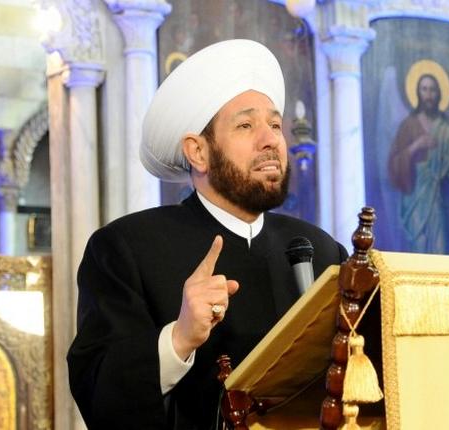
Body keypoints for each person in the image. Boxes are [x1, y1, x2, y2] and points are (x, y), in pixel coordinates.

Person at [67, 39, 348, 430]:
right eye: (246, 125)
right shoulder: (126, 248)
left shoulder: (321, 250)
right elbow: (97, 393)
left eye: (275, 125)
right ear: (198, 152)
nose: (270, 140)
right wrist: (179, 339)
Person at [388, 73, 449, 254]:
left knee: (439, 247)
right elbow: (394, 163)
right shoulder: (408, 125)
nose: (428, 95)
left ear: (439, 94)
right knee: (417, 246)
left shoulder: (444, 127)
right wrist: (415, 146)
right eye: (424, 89)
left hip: (437, 198)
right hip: (415, 196)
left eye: (432, 90)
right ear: (417, 93)